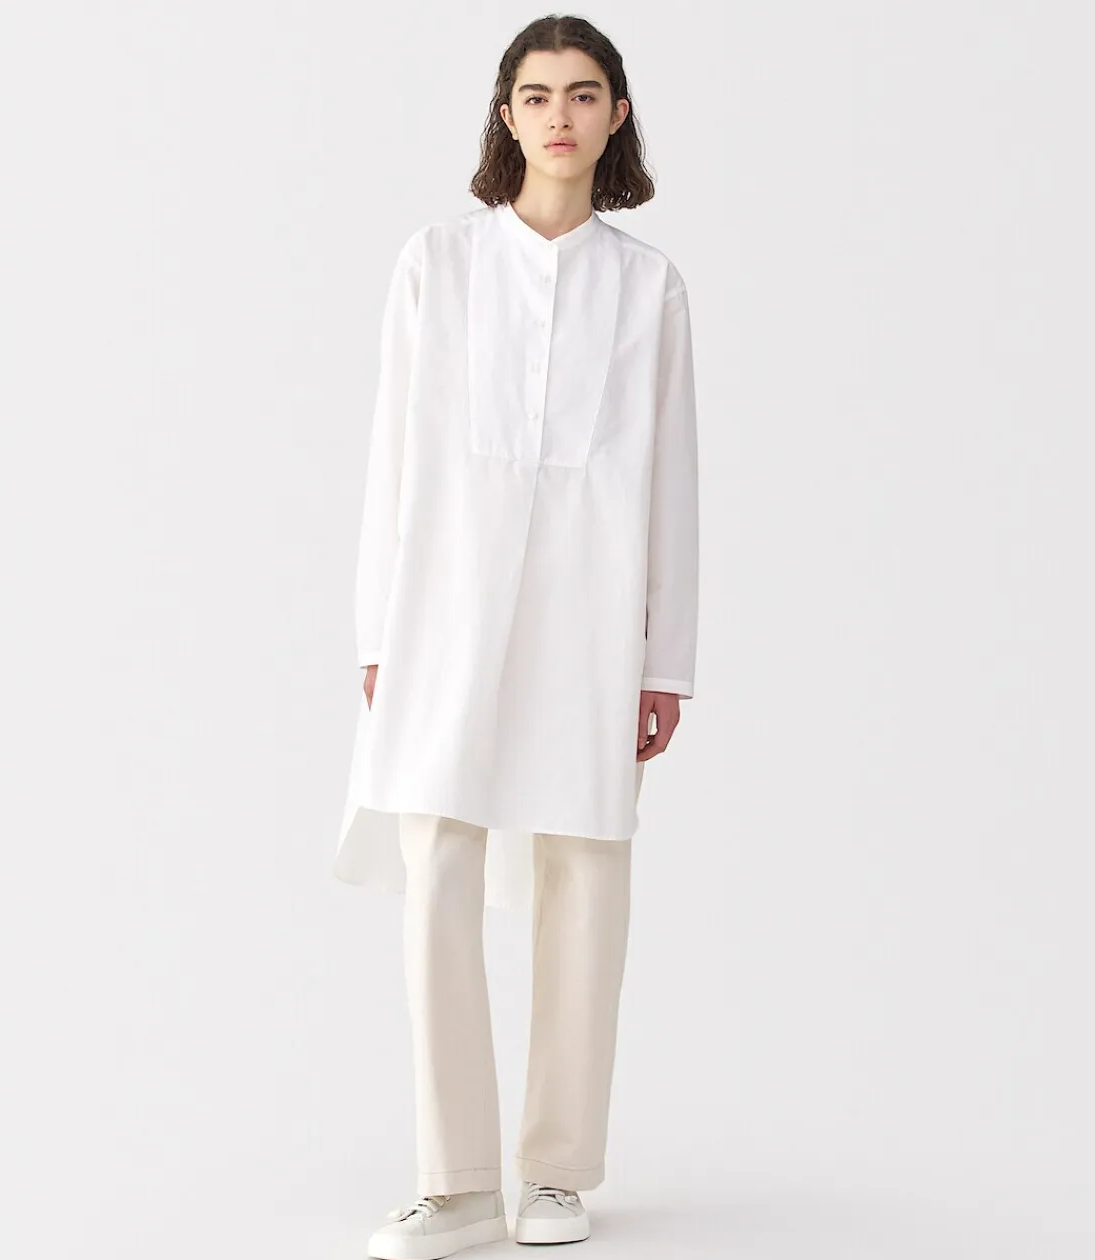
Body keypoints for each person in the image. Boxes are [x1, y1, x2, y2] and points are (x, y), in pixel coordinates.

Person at [333, 16, 700, 1260]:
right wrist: (378, 628)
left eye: (583, 94)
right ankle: (455, 1182)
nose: (559, 116)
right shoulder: (438, 263)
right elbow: (394, 453)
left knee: (584, 881)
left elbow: (673, 480)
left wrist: (665, 658)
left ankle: (554, 1173)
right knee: (438, 871)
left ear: (616, 115)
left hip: (592, 613)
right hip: (444, 604)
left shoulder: (648, 285)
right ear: (506, 114)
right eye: (537, 95)